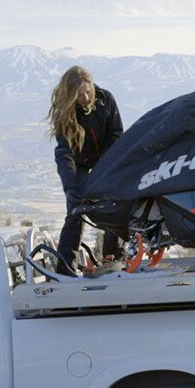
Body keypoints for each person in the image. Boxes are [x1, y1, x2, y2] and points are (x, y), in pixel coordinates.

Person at [47, 66, 123, 273]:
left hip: (106, 159)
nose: (86, 97)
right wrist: (70, 188)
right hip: (79, 163)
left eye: (88, 92)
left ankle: (113, 258)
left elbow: (116, 134)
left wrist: (103, 167)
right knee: (75, 210)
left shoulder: (106, 99)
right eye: (80, 95)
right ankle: (65, 268)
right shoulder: (64, 113)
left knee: (115, 204)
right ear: (71, 96)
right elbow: (65, 154)